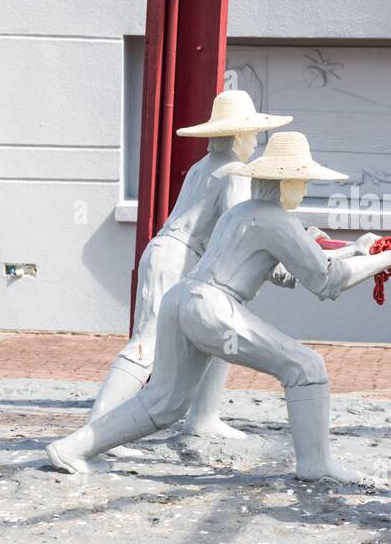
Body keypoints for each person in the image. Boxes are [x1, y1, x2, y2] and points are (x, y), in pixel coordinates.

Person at [47, 132, 391, 483]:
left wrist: (356, 250)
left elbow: (288, 273)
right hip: (212, 307)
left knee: (164, 402)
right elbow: (327, 281)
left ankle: (71, 448)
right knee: (306, 366)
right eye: (302, 183)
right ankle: (315, 464)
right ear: (287, 183)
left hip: (183, 298)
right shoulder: (278, 220)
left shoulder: (240, 214)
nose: (304, 190)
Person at [88, 90, 290, 440]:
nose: (256, 142)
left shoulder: (206, 166)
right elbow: (242, 224)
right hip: (176, 258)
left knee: (218, 333)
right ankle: (98, 429)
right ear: (238, 135)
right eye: (253, 134)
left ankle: (204, 416)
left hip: (182, 258)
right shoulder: (235, 171)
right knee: (147, 344)